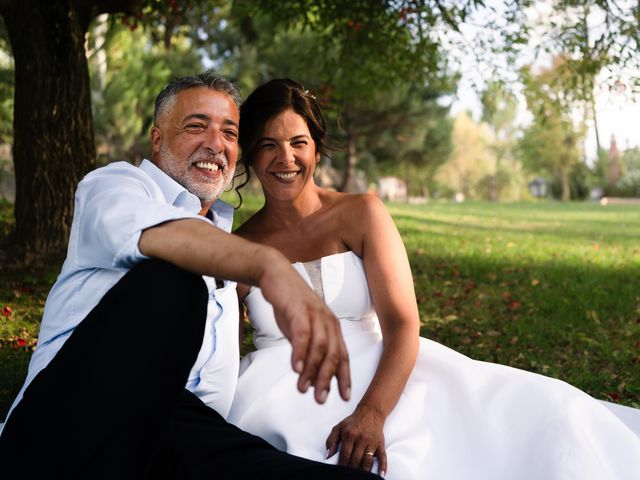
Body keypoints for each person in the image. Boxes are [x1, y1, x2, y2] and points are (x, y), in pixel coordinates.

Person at [227, 78, 640, 479]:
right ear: (250, 154)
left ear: (316, 149)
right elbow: (218, 347)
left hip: (385, 376)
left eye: (298, 142)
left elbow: (403, 323)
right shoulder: (238, 246)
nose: (286, 158)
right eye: (268, 145)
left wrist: (372, 414)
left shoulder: (361, 213)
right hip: (282, 394)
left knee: (547, 418)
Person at [0, 72, 381, 480]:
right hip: (73, 422)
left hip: (182, 437)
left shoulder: (225, 233)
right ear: (158, 138)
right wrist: (270, 267)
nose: (216, 144)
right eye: (196, 125)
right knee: (173, 280)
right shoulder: (114, 187)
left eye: (230, 133)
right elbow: (164, 234)